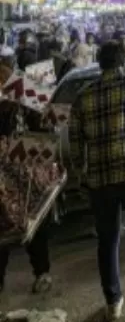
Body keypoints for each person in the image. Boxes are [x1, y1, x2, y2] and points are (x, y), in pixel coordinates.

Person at [68, 41, 125, 321]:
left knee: (107, 240)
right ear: (122, 62)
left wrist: (83, 172)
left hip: (100, 180)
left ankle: (113, 303)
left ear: (100, 63)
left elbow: (75, 144)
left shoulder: (83, 96)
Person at [0, 100, 53, 296]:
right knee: (4, 224)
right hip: (8, 176)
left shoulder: (24, 99)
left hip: (26, 172)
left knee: (35, 221)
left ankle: (42, 272)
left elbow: (45, 126)